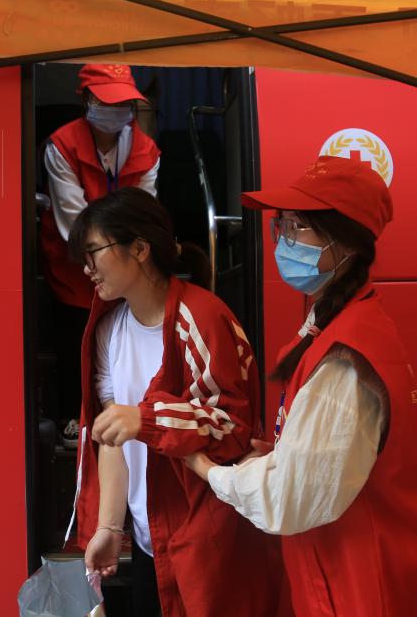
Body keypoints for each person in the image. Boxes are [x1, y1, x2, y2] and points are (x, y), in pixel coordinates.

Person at [183, 156, 417, 616]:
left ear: (346, 242)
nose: (284, 241)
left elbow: (288, 498)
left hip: (365, 588)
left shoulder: (344, 358)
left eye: (298, 228)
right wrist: (282, 452)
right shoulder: (343, 323)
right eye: (281, 226)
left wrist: (205, 469)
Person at [67, 187, 282, 617]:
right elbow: (112, 435)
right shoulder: (109, 330)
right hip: (151, 538)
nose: (87, 268)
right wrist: (109, 526)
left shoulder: (202, 317)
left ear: (140, 248)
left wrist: (147, 419)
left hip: (209, 536)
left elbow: (230, 426)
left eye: (93, 252)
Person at [39, 64, 160, 448]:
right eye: (107, 102)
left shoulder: (146, 150)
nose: (116, 110)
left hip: (126, 260)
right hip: (74, 262)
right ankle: (72, 417)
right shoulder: (61, 146)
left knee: (123, 336)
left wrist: (125, 260)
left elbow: (144, 212)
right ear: (87, 101)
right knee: (76, 336)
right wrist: (116, 252)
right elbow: (73, 221)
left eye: (124, 103)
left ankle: (126, 413)